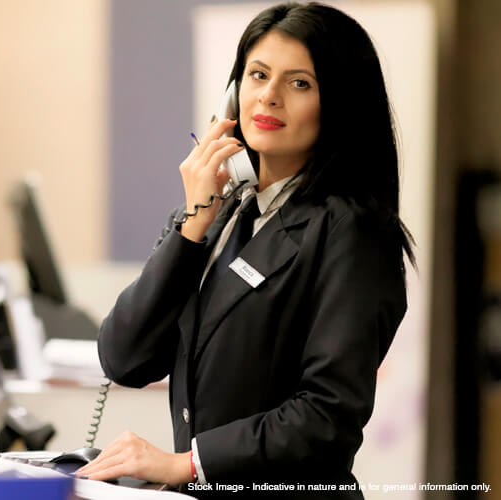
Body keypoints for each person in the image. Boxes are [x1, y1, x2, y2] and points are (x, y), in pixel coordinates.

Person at [76, 2, 415, 497]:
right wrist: (191, 228)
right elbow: (126, 358)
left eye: (300, 83)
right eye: (258, 75)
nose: (270, 97)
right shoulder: (218, 211)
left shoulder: (355, 231)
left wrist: (188, 464)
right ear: (233, 93)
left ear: (338, 102)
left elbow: (327, 415)